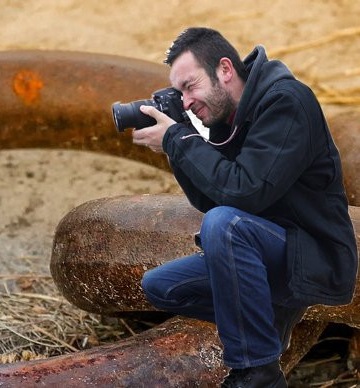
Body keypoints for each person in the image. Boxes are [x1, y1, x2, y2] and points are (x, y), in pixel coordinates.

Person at [136, 27, 358, 387]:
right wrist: (175, 146)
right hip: (268, 254)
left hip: (315, 255)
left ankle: (257, 373)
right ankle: (271, 317)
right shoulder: (229, 118)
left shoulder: (286, 101)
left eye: (189, 86)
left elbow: (245, 193)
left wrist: (179, 139)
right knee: (162, 287)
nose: (186, 101)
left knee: (226, 224)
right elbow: (211, 197)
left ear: (225, 69)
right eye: (179, 93)